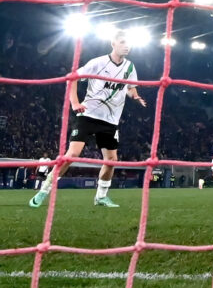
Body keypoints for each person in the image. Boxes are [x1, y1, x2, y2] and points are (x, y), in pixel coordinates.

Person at [30, 30, 147, 208]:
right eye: (123, 42)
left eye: (128, 43)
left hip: (110, 121)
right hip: (88, 115)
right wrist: (75, 102)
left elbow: (130, 88)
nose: (127, 46)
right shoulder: (98, 62)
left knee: (111, 161)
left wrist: (135, 96)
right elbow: (73, 78)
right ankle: (43, 191)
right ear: (113, 43)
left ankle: (101, 197)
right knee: (72, 155)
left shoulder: (130, 67)